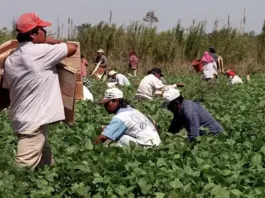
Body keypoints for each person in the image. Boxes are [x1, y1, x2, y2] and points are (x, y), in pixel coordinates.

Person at [2, 12, 77, 169]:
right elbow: (72, 48)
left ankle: (51, 174)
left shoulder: (11, 59)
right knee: (21, 170)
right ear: (33, 33)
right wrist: (51, 41)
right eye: (43, 29)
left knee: (44, 157)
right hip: (34, 122)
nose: (46, 32)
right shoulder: (39, 52)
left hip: (22, 118)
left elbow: (7, 88)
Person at [93, 88, 161, 147]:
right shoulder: (133, 110)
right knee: (112, 129)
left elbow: (103, 137)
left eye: (107, 103)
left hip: (146, 146)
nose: (105, 106)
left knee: (116, 136)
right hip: (157, 143)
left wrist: (93, 146)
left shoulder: (120, 117)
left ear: (116, 101)